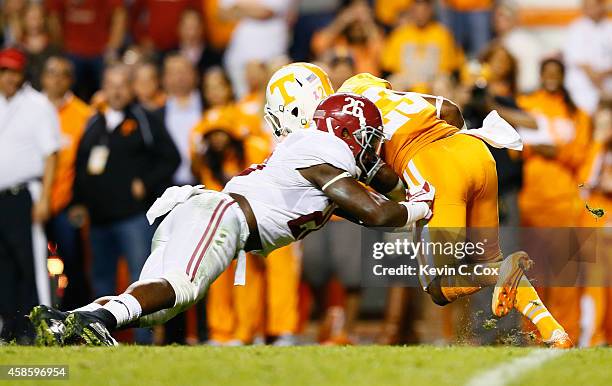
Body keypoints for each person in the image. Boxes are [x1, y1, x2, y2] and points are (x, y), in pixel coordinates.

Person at [30, 86, 434, 347]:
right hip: (223, 216)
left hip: (214, 216)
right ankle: (98, 320)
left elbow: (374, 205)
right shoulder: (321, 152)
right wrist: (423, 202)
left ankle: (66, 323)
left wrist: (407, 193)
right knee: (180, 287)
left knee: (160, 303)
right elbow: (379, 212)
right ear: (351, 134)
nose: (372, 148)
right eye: (369, 138)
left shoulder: (319, 155)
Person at [339, 71, 572, 348]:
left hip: (437, 172)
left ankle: (501, 275)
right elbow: (451, 109)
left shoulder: (352, 117)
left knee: (437, 287)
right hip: (477, 155)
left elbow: (381, 176)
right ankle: (554, 332)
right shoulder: (399, 98)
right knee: (488, 262)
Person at [67, 64, 180, 344]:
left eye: (122, 85)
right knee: (102, 281)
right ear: (103, 88)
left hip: (133, 217)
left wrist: (146, 181)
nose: (116, 91)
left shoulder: (145, 119)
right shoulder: (95, 121)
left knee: (140, 281)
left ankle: (145, 341)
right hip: (99, 220)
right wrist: (79, 202)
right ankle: (100, 337)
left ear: (131, 88)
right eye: (111, 85)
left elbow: (171, 158)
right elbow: (80, 165)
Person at [0, 47, 59, 343]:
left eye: (14, 71)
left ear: (24, 74)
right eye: (4, 71)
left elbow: (51, 154)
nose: (9, 77)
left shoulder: (38, 105)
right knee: (4, 266)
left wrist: (45, 197)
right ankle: (11, 331)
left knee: (32, 265)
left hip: (25, 193)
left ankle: (40, 328)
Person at [42, 56, 93, 311]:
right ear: (43, 77)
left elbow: (87, 165)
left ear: (70, 80)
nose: (56, 79)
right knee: (29, 265)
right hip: (32, 202)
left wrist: (81, 201)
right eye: (52, 73)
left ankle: (75, 318)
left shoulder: (84, 114)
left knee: (74, 264)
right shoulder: (32, 109)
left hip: (66, 203)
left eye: (63, 74)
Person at [46, 0, 127, 101]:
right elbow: (53, 17)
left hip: (101, 52)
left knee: (109, 89)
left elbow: (119, 14)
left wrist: (112, 47)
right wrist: (61, 47)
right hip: (71, 52)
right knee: (64, 87)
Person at [381, 0, 463, 94]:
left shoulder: (442, 34)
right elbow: (389, 66)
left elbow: (450, 68)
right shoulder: (400, 34)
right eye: (417, 10)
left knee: (441, 85)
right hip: (407, 78)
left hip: (433, 79)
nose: (421, 14)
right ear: (411, 11)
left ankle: (442, 109)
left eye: (424, 10)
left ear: (431, 10)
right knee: (394, 85)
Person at [221, 0, 291, 97]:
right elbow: (224, 13)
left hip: (272, 51)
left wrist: (238, 6)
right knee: (243, 99)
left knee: (277, 96)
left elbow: (266, 11)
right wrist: (254, 9)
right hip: (239, 55)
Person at [562, 0, 612, 116]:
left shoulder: (610, 27)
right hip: (582, 89)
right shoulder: (576, 28)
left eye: (593, 6)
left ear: (602, 6)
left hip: (608, 86)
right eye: (586, 6)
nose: (590, 9)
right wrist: (599, 84)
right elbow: (579, 61)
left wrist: (604, 75)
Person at [160, 54, 202, 186]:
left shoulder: (210, 107)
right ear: (164, 79)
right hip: (168, 188)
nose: (179, 77)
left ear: (195, 74)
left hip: (207, 187)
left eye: (184, 71)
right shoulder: (155, 115)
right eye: (173, 72)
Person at [311, 0, 383, 76]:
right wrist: (342, 20)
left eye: (360, 26)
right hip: (336, 84)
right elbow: (318, 45)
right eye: (354, 25)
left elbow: (382, 55)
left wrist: (367, 22)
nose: (357, 28)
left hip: (362, 85)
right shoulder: (338, 39)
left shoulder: (371, 42)